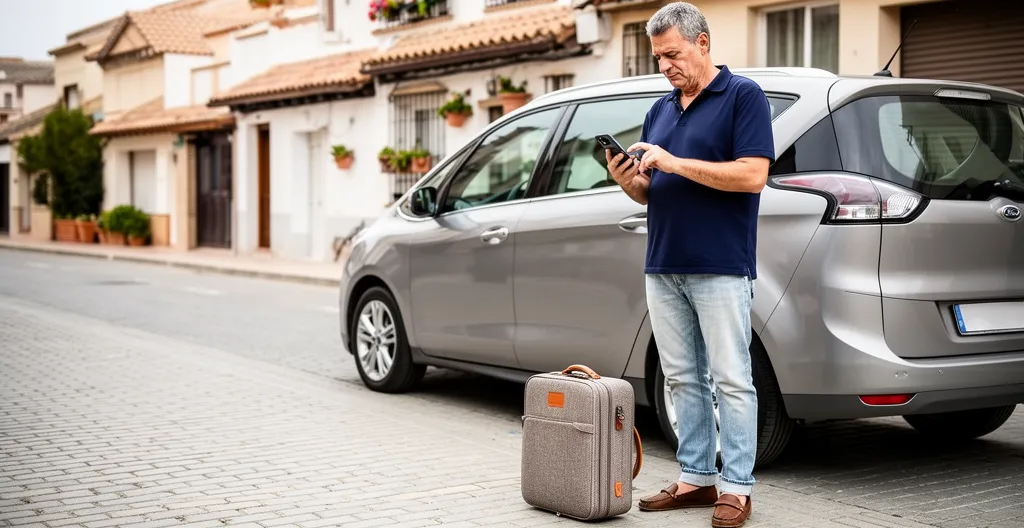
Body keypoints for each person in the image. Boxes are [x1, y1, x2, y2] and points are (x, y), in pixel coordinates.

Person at [603, 2, 775, 527]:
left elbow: (751, 176)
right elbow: (651, 194)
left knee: (732, 379)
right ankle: (696, 479)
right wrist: (627, 178)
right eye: (658, 58)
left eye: (673, 54)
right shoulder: (661, 108)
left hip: (721, 263)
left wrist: (673, 161)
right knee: (682, 379)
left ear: (702, 43)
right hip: (664, 264)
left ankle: (737, 488)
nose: (666, 66)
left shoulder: (743, 96)